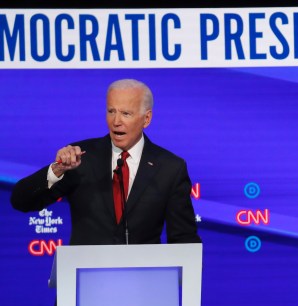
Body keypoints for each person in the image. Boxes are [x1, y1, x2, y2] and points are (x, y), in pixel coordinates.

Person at [11, 79, 201, 245]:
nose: (116, 121)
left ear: (147, 119)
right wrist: (57, 169)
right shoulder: (80, 159)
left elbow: (185, 239)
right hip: (86, 279)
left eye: (126, 114)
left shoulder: (169, 168)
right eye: (111, 111)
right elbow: (21, 201)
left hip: (145, 281)